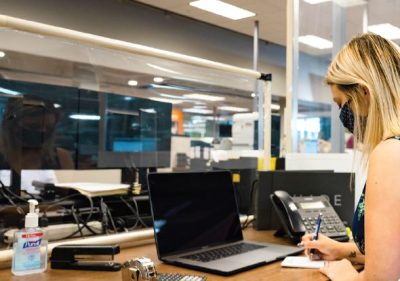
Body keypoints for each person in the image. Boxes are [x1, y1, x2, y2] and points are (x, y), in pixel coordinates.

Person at [301, 33, 400, 280]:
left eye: (341, 104)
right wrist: (341, 250)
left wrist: (346, 274)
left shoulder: (390, 153)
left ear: (365, 95)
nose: (343, 117)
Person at [0, 95, 74, 193]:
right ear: (12, 125)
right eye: (33, 126)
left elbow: (68, 199)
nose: (42, 132)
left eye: (48, 127)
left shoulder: (61, 158)